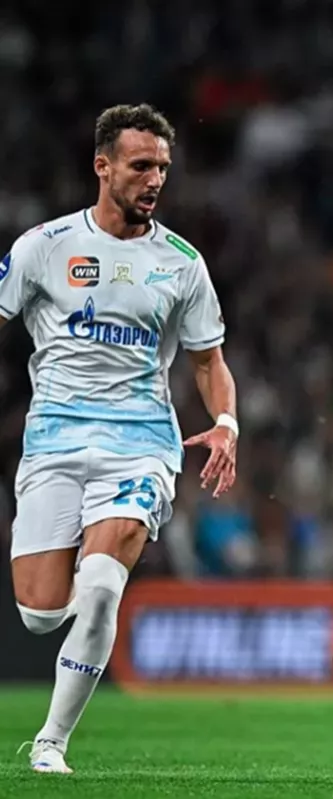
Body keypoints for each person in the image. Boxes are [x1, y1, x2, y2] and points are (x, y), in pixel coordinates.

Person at [3, 104, 238, 772]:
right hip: (53, 443)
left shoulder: (182, 263)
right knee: (40, 613)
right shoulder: (44, 246)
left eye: (162, 166)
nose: (155, 179)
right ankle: (82, 591)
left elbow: (208, 362)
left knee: (104, 586)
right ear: (102, 166)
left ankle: (51, 741)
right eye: (140, 165)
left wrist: (226, 422)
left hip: (141, 445)